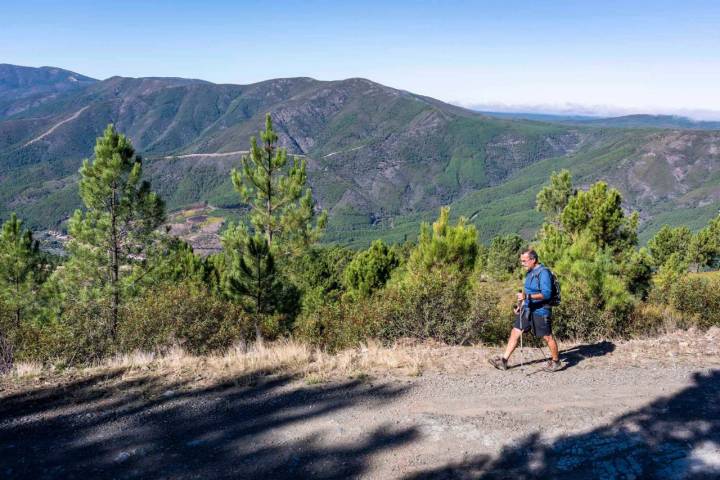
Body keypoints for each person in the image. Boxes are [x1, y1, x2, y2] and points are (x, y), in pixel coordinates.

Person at [488, 249, 562, 372]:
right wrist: (520, 305)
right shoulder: (529, 272)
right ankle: (504, 361)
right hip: (527, 308)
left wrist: (527, 297)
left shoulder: (544, 273)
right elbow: (526, 292)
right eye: (521, 261)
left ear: (533, 260)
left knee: (547, 337)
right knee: (515, 332)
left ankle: (556, 362)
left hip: (541, 310)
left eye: (524, 261)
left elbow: (547, 294)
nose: (522, 263)